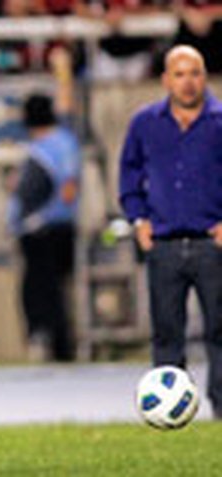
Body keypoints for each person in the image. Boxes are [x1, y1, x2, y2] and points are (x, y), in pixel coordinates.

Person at [119, 45, 222, 417]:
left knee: (219, 332)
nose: (187, 81)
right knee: (166, 335)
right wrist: (138, 220)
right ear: (165, 79)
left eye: (194, 72)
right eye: (179, 74)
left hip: (212, 244)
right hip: (163, 244)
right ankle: (169, 410)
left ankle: (221, 411)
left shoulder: (220, 120)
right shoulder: (144, 123)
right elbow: (129, 175)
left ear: (205, 76)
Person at [6, 47, 81, 362]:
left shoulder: (42, 148)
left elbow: (63, 186)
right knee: (58, 289)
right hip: (64, 225)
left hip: (42, 227)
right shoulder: (67, 139)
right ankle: (59, 343)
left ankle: (51, 342)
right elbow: (67, 107)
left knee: (40, 290)